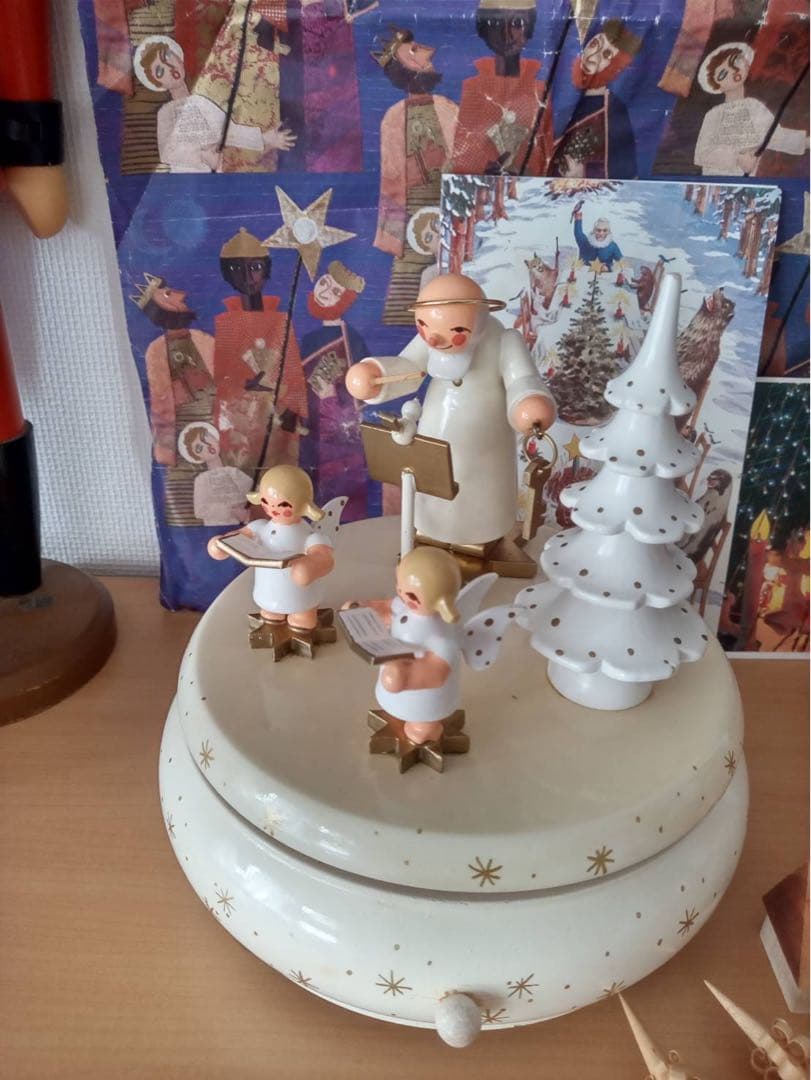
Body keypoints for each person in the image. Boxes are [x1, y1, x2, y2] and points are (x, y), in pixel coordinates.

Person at [345, 273, 555, 568]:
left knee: (481, 489)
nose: (432, 339)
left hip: (486, 440)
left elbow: (521, 378)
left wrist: (528, 402)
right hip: (437, 428)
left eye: (456, 329)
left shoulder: (503, 340)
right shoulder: (432, 341)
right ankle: (435, 534)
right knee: (435, 488)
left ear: (480, 319)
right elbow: (407, 367)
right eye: (423, 326)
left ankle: (483, 537)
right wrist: (376, 377)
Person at [372, 27, 458, 323]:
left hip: (449, 200)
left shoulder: (448, 109)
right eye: (416, 56)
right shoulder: (393, 117)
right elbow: (392, 178)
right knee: (408, 288)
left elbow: (465, 157)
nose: (427, 60)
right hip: (411, 208)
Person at [213, 228, 307, 476]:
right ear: (227, 274)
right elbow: (223, 376)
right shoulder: (226, 323)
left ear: (266, 270)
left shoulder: (281, 320)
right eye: (236, 268)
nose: (247, 276)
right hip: (242, 420)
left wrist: (294, 409)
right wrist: (243, 387)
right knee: (244, 476)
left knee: (281, 475)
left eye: (255, 267)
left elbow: (293, 371)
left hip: (279, 414)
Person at [132, 35, 295, 173]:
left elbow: (229, 130)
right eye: (160, 71)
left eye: (167, 56)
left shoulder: (201, 102)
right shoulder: (166, 112)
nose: (169, 68)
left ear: (179, 58)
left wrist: (265, 138)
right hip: (184, 182)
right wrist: (202, 156)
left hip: (215, 176)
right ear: (158, 83)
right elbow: (167, 152)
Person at [207, 465, 335, 631]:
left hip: (301, 597)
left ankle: (304, 616)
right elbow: (238, 537)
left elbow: (324, 558)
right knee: (269, 612)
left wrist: (310, 567)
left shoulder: (309, 536)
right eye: (266, 502)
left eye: (283, 505)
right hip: (267, 593)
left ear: (304, 505)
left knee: (303, 618)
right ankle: (273, 614)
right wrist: (222, 544)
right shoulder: (260, 527)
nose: (273, 509)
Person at [452, 0, 553, 176]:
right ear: (484, 29)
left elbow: (547, 155)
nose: (507, 34)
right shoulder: (474, 89)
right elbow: (464, 157)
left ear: (529, 28)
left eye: (517, 23)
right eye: (496, 23)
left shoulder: (540, 90)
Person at [300, 261, 369, 517]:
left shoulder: (352, 339)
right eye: (325, 283)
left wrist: (335, 398)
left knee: (343, 484)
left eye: (336, 291)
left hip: (342, 426)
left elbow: (363, 386)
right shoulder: (309, 340)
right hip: (312, 424)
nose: (326, 292)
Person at [131, 272, 216, 467]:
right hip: (184, 426)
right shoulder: (156, 351)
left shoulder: (204, 341)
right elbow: (160, 400)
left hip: (217, 416)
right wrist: (165, 448)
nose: (181, 295)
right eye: (168, 294)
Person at [693, 42, 807, 176]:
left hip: (746, 181)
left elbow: (775, 136)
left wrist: (806, 142)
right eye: (723, 74)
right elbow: (701, 154)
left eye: (735, 63)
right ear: (716, 85)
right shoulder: (713, 114)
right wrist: (736, 158)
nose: (733, 72)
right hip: (715, 180)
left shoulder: (754, 106)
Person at [550, 19, 642, 179]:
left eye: (606, 54)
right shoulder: (558, 92)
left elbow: (623, 172)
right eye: (594, 45)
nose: (594, 57)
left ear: (615, 65)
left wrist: (583, 173)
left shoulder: (614, 111)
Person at [177, 421, 253, 526]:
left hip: (245, 525)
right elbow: (200, 510)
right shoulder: (202, 480)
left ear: (215, 438)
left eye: (206, 437)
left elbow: (252, 491)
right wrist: (231, 511)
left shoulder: (233, 472)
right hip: (217, 528)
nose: (207, 445)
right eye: (199, 448)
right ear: (197, 457)